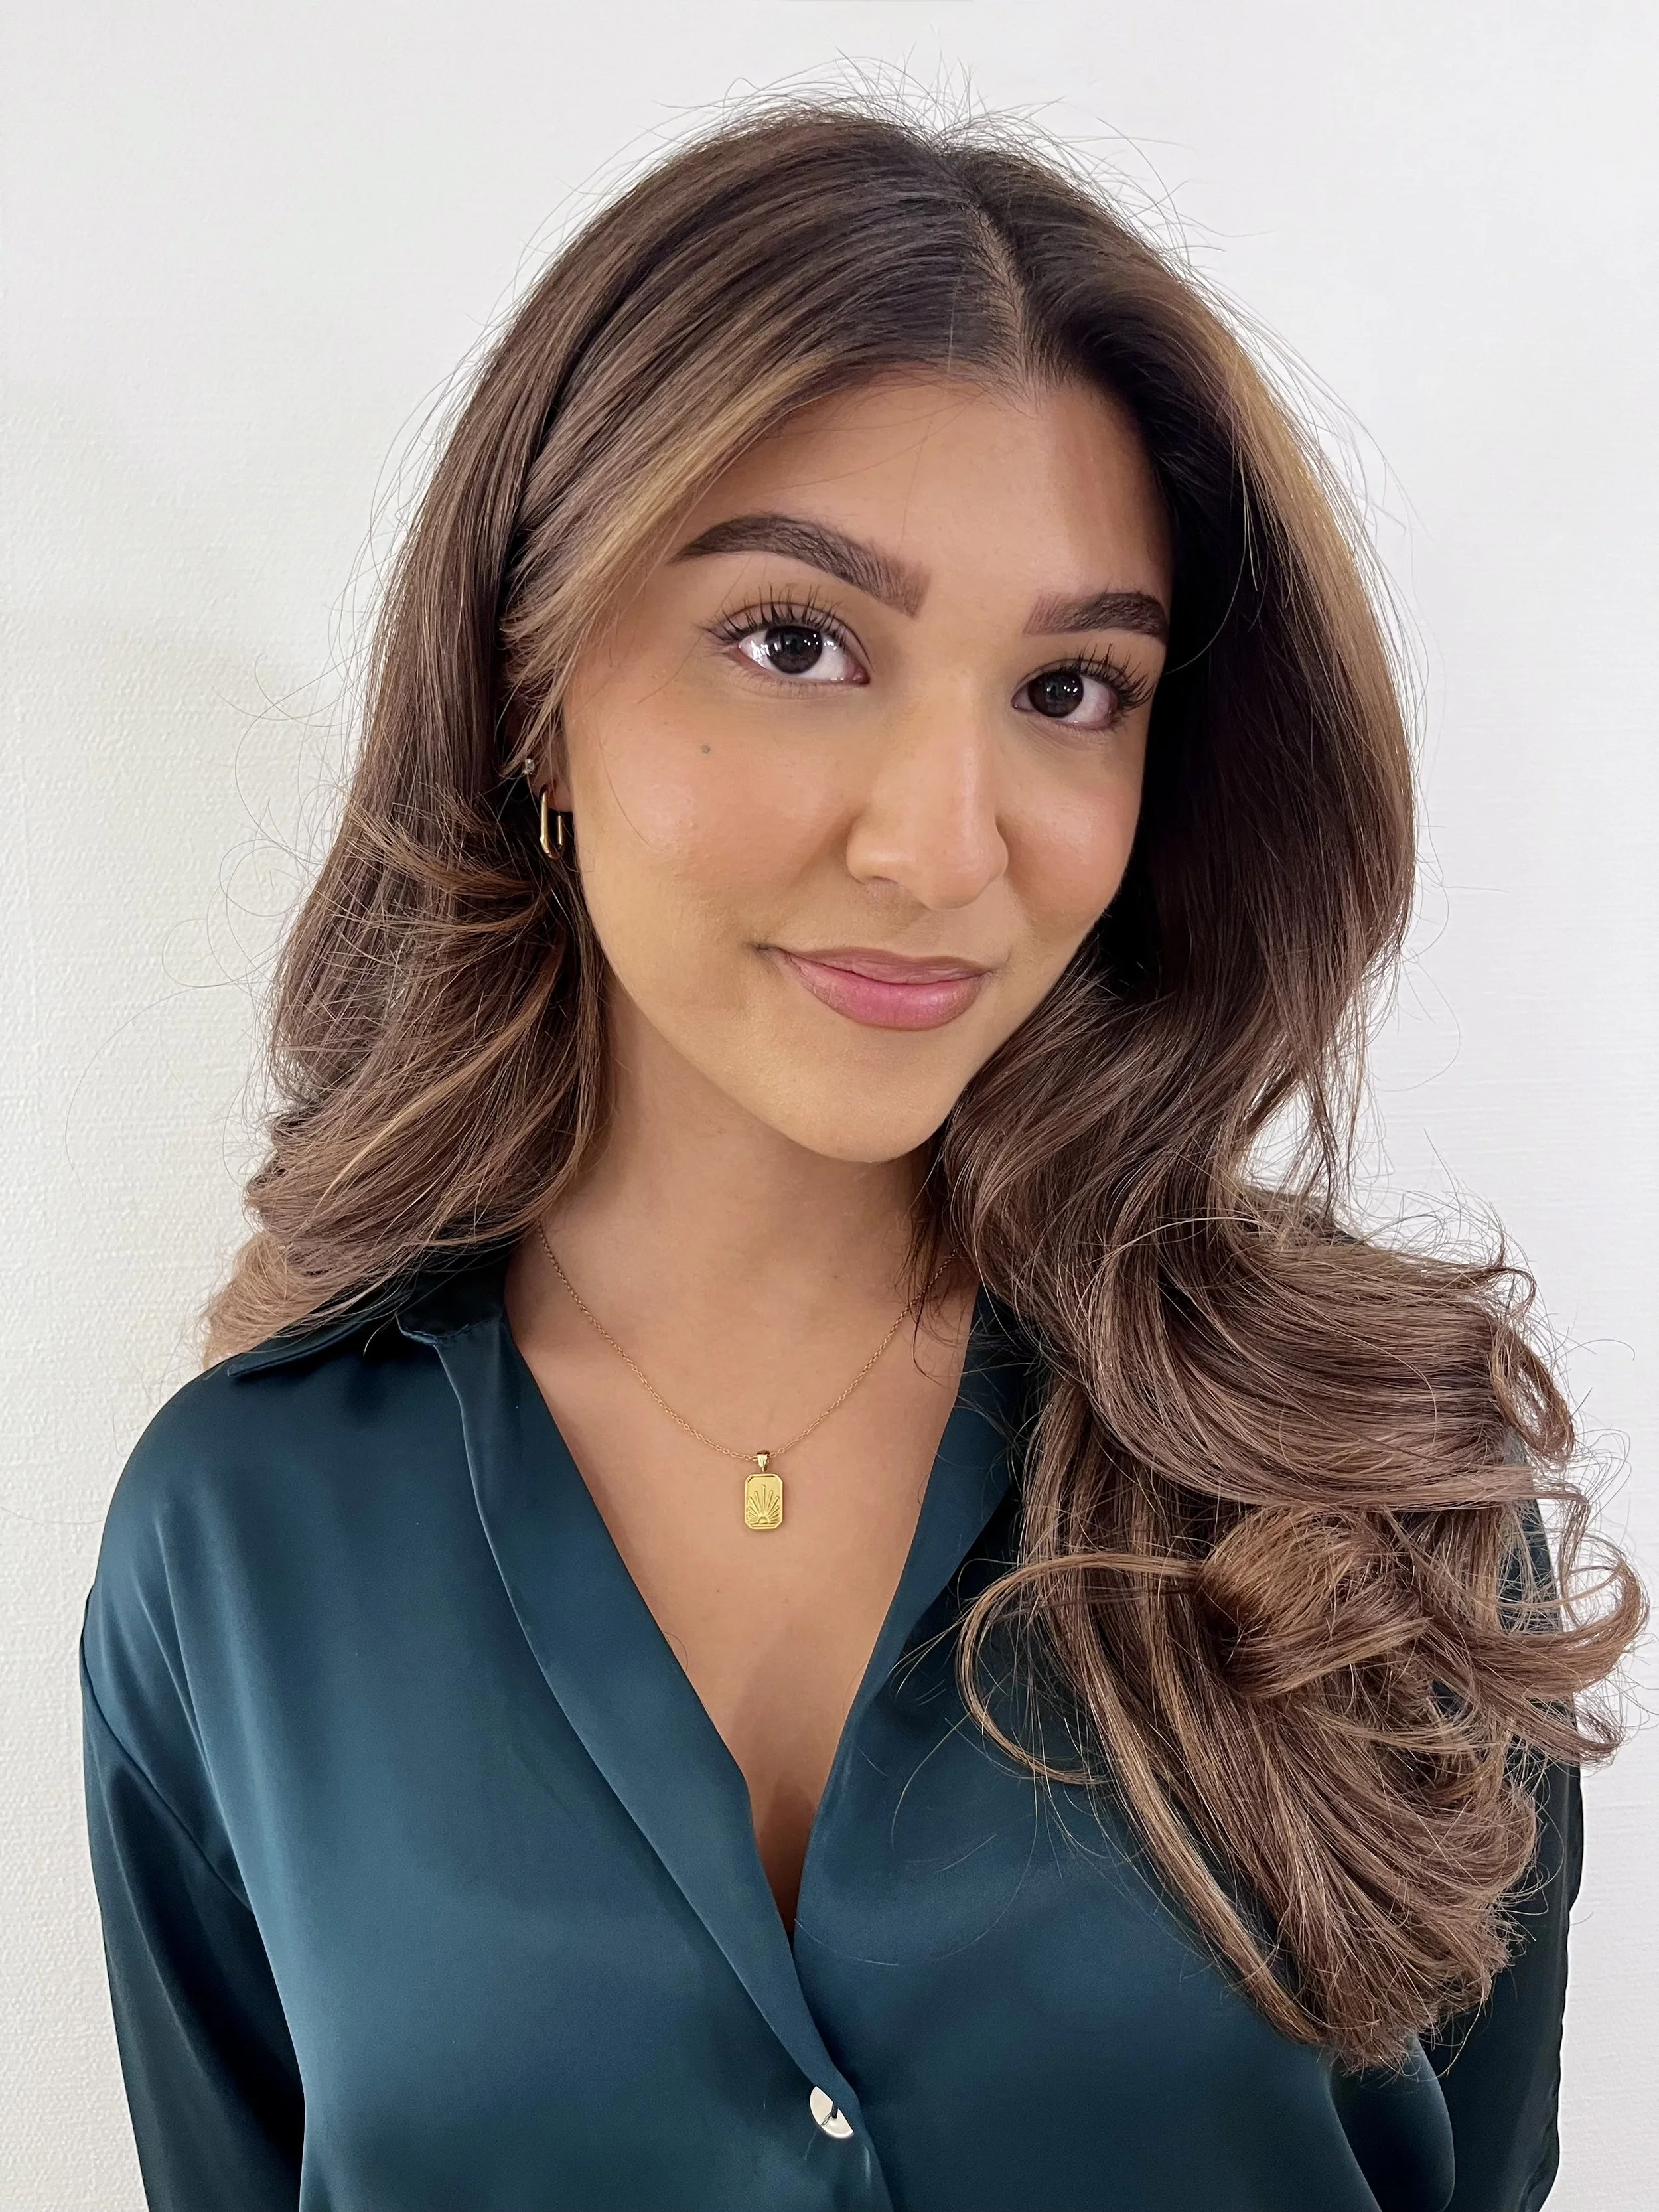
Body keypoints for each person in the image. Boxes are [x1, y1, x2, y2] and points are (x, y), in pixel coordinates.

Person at [80, 102, 1642, 2212]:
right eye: (798, 642)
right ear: (530, 689)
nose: (940, 844)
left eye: (1072, 688)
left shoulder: (1378, 1508)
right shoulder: (244, 1542)